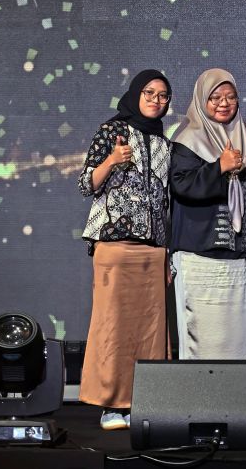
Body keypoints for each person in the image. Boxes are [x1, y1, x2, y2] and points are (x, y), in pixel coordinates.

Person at [77, 70, 173, 431]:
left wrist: (168, 254)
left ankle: (142, 402)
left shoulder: (165, 143)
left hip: (153, 251)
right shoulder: (111, 131)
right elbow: (86, 184)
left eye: (163, 96)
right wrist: (111, 161)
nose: (156, 100)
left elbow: (164, 203)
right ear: (136, 94)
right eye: (149, 93)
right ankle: (111, 405)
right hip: (115, 246)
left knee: (150, 332)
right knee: (113, 328)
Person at [169, 69, 246, 360]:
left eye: (230, 97)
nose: (223, 103)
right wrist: (219, 166)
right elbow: (182, 185)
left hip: (240, 254)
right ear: (201, 100)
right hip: (200, 255)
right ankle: (200, 402)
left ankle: (236, 400)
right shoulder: (187, 140)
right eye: (215, 97)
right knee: (203, 338)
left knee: (238, 338)